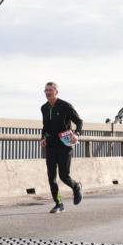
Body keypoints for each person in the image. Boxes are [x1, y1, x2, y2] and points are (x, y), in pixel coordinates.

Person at [40, 82, 83, 213]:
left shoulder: (65, 106)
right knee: (51, 177)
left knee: (64, 176)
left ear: (56, 92)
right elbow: (45, 127)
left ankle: (76, 187)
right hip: (51, 146)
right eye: (46, 91)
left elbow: (79, 122)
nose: (48, 93)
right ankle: (58, 203)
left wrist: (77, 134)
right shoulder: (44, 108)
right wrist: (42, 138)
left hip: (65, 145)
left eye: (50, 90)